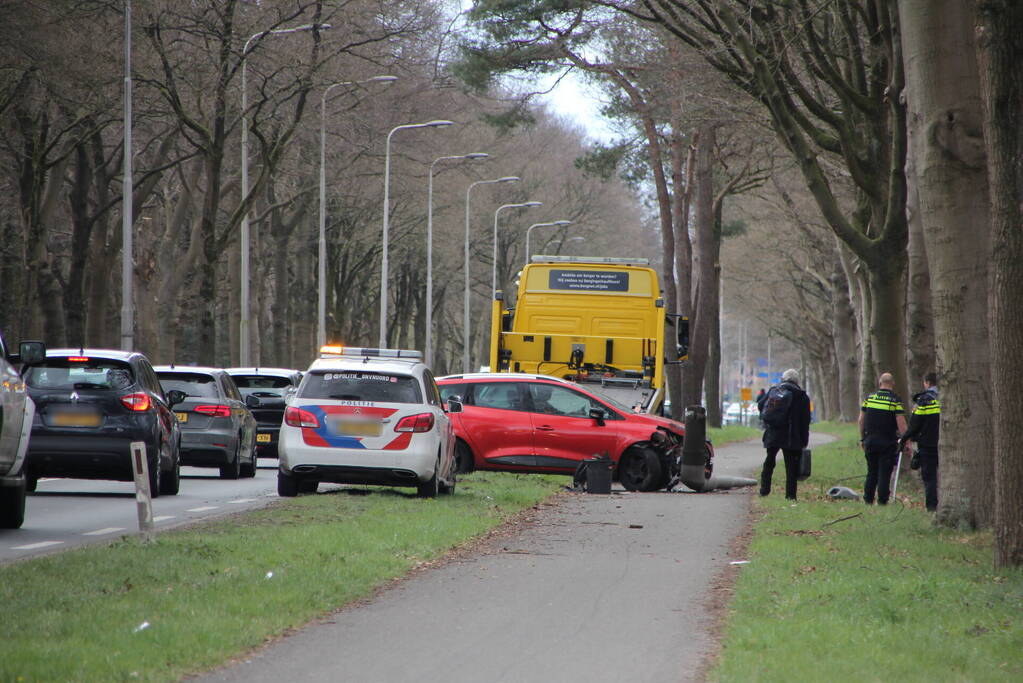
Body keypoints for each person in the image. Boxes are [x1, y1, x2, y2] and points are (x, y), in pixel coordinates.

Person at [757, 369, 812, 500]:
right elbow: (805, 420)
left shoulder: (774, 390)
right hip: (791, 436)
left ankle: (764, 490)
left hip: (773, 433)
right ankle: (790, 496)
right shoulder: (801, 396)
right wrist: (804, 440)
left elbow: (760, 404)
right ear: (796, 381)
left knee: (769, 461)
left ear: (783, 378)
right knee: (791, 467)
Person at [858, 372, 907, 505]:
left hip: (870, 441)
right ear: (893, 384)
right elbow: (901, 423)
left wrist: (862, 439)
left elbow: (861, 420)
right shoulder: (894, 400)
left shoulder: (869, 398)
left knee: (871, 472)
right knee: (884, 473)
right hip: (887, 442)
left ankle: (868, 499)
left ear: (880, 383)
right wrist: (906, 440)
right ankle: (882, 501)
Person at [900, 372, 940, 511]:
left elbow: (914, 424)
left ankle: (932, 508)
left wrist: (904, 439)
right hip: (945, 444)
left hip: (927, 444)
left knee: (929, 478)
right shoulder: (945, 398)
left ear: (927, 383)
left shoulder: (923, 400)